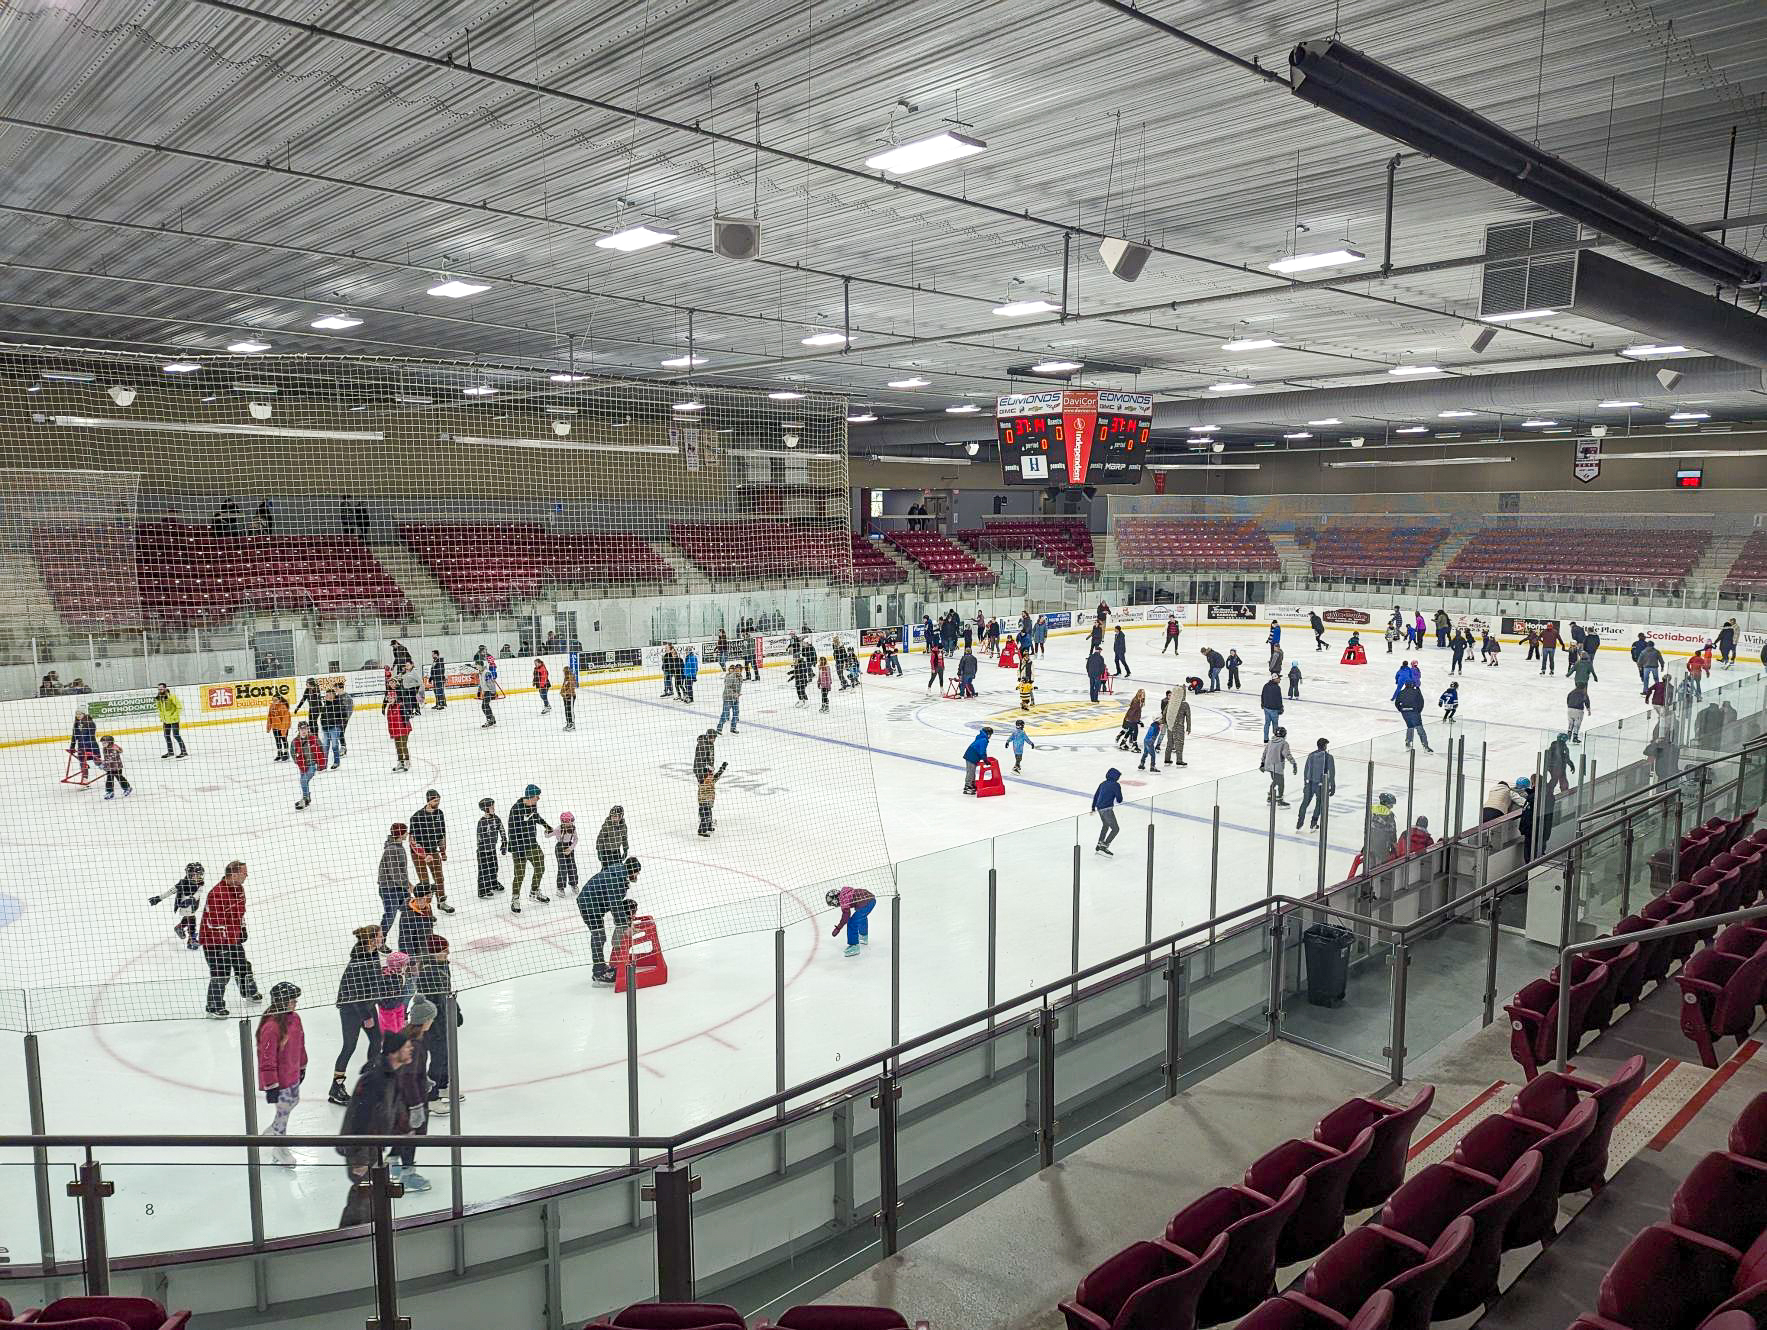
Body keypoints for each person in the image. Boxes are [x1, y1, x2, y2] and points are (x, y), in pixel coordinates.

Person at [337, 1030, 426, 1221]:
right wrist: (360, 1157)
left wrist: (404, 1131)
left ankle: (360, 1233)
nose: (411, 1049)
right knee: (364, 1195)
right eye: (406, 1047)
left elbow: (392, 1108)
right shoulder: (375, 1079)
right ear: (394, 1052)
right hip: (361, 1148)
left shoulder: (391, 1074)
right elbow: (360, 1118)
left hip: (372, 1146)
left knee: (369, 1194)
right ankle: (352, 1236)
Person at [329, 928, 388, 1107]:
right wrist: (365, 1015)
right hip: (351, 1008)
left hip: (367, 1005)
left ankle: (371, 1081)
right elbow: (355, 992)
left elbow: (372, 983)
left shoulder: (373, 954)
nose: (383, 938)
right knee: (349, 1046)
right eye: (379, 936)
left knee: (377, 1040)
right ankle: (336, 1087)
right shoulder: (359, 961)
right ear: (371, 940)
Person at [255, 981, 307, 1167]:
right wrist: (271, 1086)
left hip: (292, 1074)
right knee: (284, 1112)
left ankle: (274, 1128)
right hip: (280, 1080)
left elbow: (301, 1043)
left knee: (293, 1102)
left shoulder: (295, 1018)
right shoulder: (271, 1027)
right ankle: (279, 1147)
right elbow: (267, 1059)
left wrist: (302, 1065)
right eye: (292, 1000)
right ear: (282, 1001)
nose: (295, 1003)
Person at [201, 860, 261, 1018]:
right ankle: (213, 1007)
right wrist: (226, 942)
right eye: (243, 873)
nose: (246, 875)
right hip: (214, 941)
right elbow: (213, 923)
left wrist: (242, 928)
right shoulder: (217, 894)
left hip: (232, 938)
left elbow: (240, 913)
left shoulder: (239, 889)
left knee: (243, 965)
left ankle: (248, 990)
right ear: (233, 874)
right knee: (221, 972)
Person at [578, 857, 642, 985]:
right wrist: (625, 927)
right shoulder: (615, 879)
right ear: (632, 870)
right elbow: (614, 905)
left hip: (594, 905)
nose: (638, 875)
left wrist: (626, 923)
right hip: (588, 906)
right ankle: (598, 973)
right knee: (599, 936)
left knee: (600, 936)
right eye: (637, 872)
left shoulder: (620, 875)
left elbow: (617, 903)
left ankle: (601, 967)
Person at [508, 784, 554, 911]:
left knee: (540, 867)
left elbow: (535, 816)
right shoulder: (516, 810)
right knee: (519, 875)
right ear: (530, 797)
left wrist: (546, 825)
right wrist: (518, 851)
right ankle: (515, 899)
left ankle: (534, 892)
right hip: (519, 848)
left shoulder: (532, 805)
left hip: (532, 844)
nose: (538, 799)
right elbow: (512, 832)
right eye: (536, 797)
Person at [409, 790, 452, 914]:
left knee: (439, 877)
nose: (437, 803)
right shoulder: (416, 817)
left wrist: (443, 851)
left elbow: (442, 834)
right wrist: (423, 854)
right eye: (435, 801)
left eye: (439, 800)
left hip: (433, 851)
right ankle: (426, 909)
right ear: (428, 801)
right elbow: (412, 840)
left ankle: (442, 902)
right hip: (418, 854)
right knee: (424, 882)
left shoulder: (440, 814)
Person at [148, 861, 205, 950]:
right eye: (195, 875)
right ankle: (192, 940)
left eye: (199, 875)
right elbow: (172, 890)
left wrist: (192, 899)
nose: (198, 877)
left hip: (193, 905)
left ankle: (180, 928)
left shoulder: (200, 884)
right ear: (189, 875)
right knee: (192, 920)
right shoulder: (184, 883)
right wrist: (159, 898)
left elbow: (198, 893)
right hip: (184, 904)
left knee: (189, 918)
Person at [378, 823, 413, 939]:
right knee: (390, 916)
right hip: (389, 888)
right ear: (400, 834)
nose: (407, 834)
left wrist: (407, 883)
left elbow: (399, 871)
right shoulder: (393, 849)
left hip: (398, 887)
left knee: (411, 907)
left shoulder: (397, 846)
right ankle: (380, 940)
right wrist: (406, 884)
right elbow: (395, 872)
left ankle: (416, 931)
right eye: (405, 832)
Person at [1297, 738, 1335, 831]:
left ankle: (1299, 823)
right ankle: (1313, 824)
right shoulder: (1328, 757)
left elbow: (1306, 771)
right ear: (1325, 746)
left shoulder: (1311, 755)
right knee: (1319, 803)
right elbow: (1332, 773)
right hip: (1321, 785)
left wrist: (1305, 784)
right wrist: (1332, 785)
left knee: (1305, 803)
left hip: (1309, 783)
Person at [827, 885, 875, 957]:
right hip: (871, 900)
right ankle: (863, 936)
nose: (834, 905)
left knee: (852, 923)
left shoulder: (843, 900)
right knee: (860, 917)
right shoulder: (845, 893)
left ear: (835, 899)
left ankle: (854, 946)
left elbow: (846, 917)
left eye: (833, 903)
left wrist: (838, 928)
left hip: (866, 903)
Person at [475, 797, 506, 898]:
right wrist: (481, 849)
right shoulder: (482, 822)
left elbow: (502, 830)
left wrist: (504, 843)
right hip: (483, 851)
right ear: (486, 808)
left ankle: (493, 883)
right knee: (483, 870)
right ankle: (482, 890)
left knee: (494, 867)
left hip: (492, 849)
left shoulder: (496, 819)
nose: (494, 808)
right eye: (491, 806)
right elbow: (479, 836)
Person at [292, 720, 325, 810]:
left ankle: (305, 798)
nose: (303, 730)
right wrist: (297, 761)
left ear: (308, 729)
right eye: (301, 729)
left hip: (312, 765)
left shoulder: (314, 739)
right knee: (304, 782)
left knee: (303, 780)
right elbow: (292, 752)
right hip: (302, 765)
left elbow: (322, 749)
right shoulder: (295, 741)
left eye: (305, 728)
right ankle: (307, 798)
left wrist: (321, 763)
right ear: (298, 730)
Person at [1092, 767, 1124, 855]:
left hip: (1099, 808)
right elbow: (1119, 799)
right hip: (1107, 809)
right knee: (1115, 829)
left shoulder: (1102, 783)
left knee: (1105, 825)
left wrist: (1093, 807)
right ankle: (1104, 845)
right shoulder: (1116, 785)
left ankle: (1100, 843)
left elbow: (1096, 795)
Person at [1394, 678, 1432, 752]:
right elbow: (1421, 702)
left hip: (1405, 712)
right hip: (1414, 711)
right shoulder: (1416, 692)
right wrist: (1418, 711)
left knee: (1410, 726)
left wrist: (1401, 710)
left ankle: (1408, 743)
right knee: (1419, 728)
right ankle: (1425, 746)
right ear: (1412, 685)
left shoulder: (1401, 692)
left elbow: (1397, 703)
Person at [1261, 726, 1296, 807]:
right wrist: (1293, 763)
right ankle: (1279, 799)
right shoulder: (1284, 743)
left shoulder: (1270, 742)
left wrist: (1262, 763)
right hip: (1277, 766)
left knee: (1275, 781)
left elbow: (1264, 753)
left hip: (1268, 765)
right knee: (1280, 783)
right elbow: (1286, 754)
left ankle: (1270, 797)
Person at [320, 686, 351, 768]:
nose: (326, 696)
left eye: (328, 695)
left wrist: (339, 725)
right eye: (326, 695)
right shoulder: (325, 705)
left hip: (334, 727)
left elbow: (344, 715)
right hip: (326, 728)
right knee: (325, 746)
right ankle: (323, 764)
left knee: (334, 745)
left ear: (333, 695)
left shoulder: (338, 704)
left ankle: (336, 762)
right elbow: (322, 716)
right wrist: (323, 725)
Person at [155, 682, 188, 759]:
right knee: (166, 735)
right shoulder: (159, 698)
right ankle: (170, 752)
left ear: (165, 688)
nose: (160, 690)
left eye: (162, 688)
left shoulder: (172, 696)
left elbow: (179, 707)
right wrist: (162, 716)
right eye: (159, 689)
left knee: (176, 735)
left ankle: (184, 751)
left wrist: (174, 716)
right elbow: (159, 708)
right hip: (166, 720)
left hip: (174, 719)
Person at [1163, 685, 1191, 767]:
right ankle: (1179, 761)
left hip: (1170, 726)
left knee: (1170, 743)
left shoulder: (1171, 702)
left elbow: (1165, 713)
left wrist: (1164, 722)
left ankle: (1167, 760)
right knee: (1179, 743)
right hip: (1179, 726)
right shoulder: (1185, 704)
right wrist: (1189, 727)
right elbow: (1188, 717)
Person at [697, 764, 727, 836]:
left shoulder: (711, 781)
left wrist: (722, 768)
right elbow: (700, 774)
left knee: (709, 815)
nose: (711, 776)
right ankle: (701, 830)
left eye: (711, 774)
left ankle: (709, 826)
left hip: (709, 802)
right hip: (703, 802)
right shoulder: (702, 781)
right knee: (705, 816)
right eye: (709, 774)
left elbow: (717, 776)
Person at [98, 734, 132, 800]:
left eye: (105, 743)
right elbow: (107, 758)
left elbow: (111, 758)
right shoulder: (105, 748)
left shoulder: (113, 749)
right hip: (110, 767)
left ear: (110, 742)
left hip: (117, 767)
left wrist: (103, 764)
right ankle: (110, 792)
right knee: (109, 779)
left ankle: (127, 788)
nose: (103, 744)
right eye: (102, 743)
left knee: (119, 778)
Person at [962, 726, 992, 795]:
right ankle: (967, 787)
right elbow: (982, 751)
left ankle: (972, 784)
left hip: (973, 756)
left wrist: (985, 758)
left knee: (972, 771)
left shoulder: (981, 738)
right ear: (988, 734)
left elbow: (981, 750)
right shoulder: (984, 740)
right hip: (971, 756)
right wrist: (985, 760)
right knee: (970, 772)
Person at [717, 657, 743, 734]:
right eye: (737, 669)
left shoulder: (740, 677)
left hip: (735, 698)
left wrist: (737, 694)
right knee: (725, 714)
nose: (738, 670)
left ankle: (733, 728)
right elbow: (728, 687)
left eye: (740, 669)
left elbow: (737, 688)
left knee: (736, 714)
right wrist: (735, 694)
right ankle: (719, 729)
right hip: (728, 697)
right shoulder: (731, 676)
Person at [386, 697, 412, 773]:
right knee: (398, 746)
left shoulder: (400, 706)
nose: (390, 700)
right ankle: (401, 762)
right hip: (395, 730)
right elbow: (389, 721)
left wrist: (405, 729)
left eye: (391, 698)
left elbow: (406, 718)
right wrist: (391, 732)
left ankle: (407, 762)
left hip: (404, 729)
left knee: (403, 745)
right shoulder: (389, 708)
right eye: (388, 698)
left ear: (395, 698)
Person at [1545, 732, 1573, 797]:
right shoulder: (1554, 747)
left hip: (1561, 767)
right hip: (1555, 767)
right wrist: (1549, 766)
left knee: (1562, 781)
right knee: (1555, 780)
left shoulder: (1564, 747)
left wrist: (1571, 765)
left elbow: (1566, 758)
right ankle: (1548, 792)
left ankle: (1564, 792)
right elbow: (1549, 757)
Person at [267, 691, 291, 762]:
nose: (274, 701)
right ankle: (279, 753)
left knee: (284, 740)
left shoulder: (283, 706)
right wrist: (269, 726)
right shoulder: (271, 706)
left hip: (283, 726)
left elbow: (286, 719)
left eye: (276, 700)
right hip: (275, 727)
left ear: (280, 699)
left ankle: (286, 753)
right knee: (277, 741)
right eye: (273, 700)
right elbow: (269, 716)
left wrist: (283, 729)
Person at [1260, 674, 1284, 742]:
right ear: (1275, 679)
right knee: (1275, 724)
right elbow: (1279, 699)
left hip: (1266, 708)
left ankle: (1265, 739)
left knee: (1267, 723)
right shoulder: (1277, 688)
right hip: (1274, 709)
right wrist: (1280, 708)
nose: (1280, 679)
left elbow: (1262, 695)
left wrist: (1262, 704)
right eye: (1279, 678)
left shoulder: (1266, 685)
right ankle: (1275, 739)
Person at [558, 665, 577, 732]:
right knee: (567, 710)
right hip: (565, 697)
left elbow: (572, 688)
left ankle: (572, 725)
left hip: (571, 696)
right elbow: (563, 686)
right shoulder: (566, 678)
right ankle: (568, 723)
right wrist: (561, 692)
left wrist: (566, 693)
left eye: (564, 671)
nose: (564, 673)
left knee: (570, 710)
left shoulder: (571, 678)